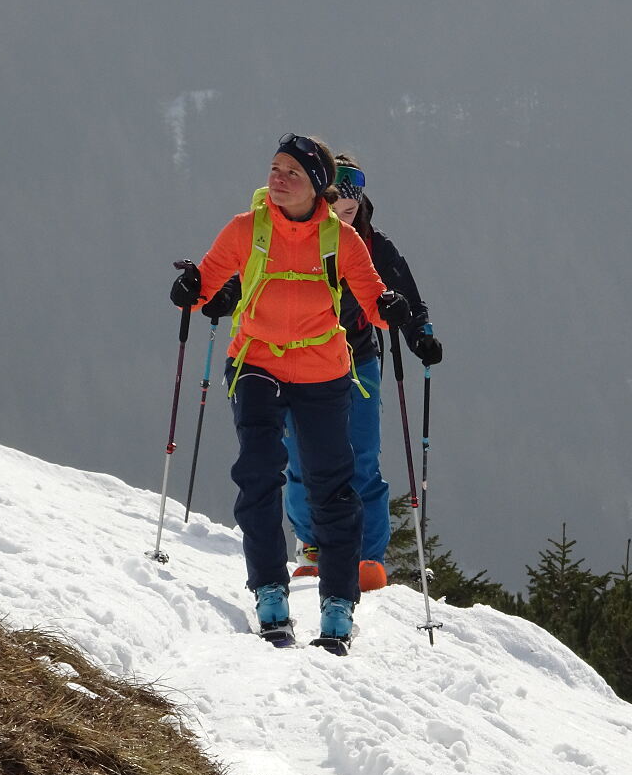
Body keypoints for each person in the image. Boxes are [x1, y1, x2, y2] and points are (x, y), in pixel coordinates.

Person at [169, 133, 409, 652]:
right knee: (258, 475)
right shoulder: (245, 229)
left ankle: (338, 604)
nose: (277, 178)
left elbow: (371, 301)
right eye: (275, 168)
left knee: (332, 487)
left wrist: (390, 309)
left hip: (322, 369)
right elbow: (207, 286)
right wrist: (190, 290)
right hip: (255, 363)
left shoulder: (342, 242)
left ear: (316, 186)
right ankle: (269, 592)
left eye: (291, 172)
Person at [284, 155, 442, 592]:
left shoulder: (374, 245)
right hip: (302, 358)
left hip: (358, 358)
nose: (344, 216)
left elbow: (409, 299)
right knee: (300, 457)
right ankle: (313, 547)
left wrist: (421, 337)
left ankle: (368, 559)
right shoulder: (294, 234)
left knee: (363, 460)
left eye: (351, 208)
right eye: (338, 208)